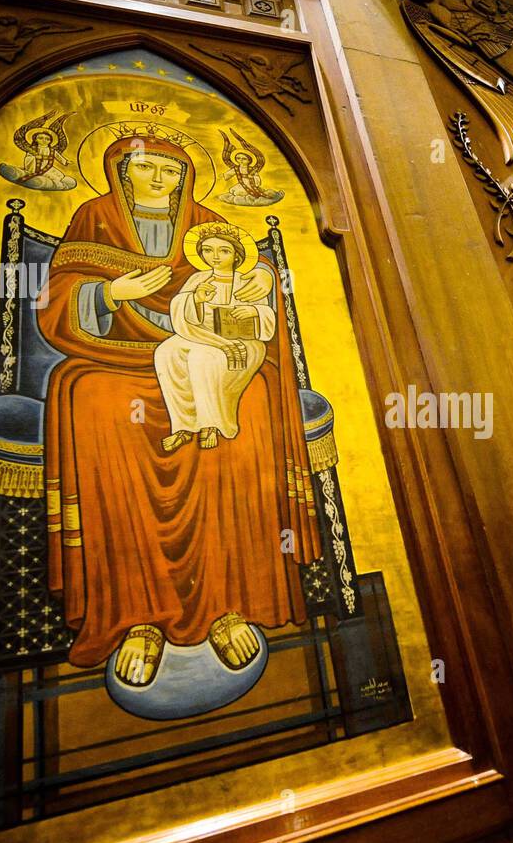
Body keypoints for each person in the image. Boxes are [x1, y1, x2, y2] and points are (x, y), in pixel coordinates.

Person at [38, 130, 321, 689]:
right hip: (112, 357)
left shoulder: (209, 225)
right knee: (91, 397)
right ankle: (135, 616)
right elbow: (57, 300)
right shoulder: (93, 218)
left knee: (254, 400)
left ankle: (229, 602)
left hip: (208, 353)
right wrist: (113, 295)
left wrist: (231, 316)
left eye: (171, 170)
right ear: (121, 172)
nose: (160, 179)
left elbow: (254, 295)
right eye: (147, 169)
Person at [154, 221, 276, 451]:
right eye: (208, 250)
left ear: (236, 254)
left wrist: (254, 311)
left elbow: (267, 318)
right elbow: (181, 309)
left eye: (224, 251)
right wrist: (196, 299)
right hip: (202, 334)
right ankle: (183, 426)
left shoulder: (247, 281)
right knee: (166, 352)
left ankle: (210, 425)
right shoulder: (198, 279)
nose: (215, 257)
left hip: (243, 341)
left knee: (202, 357)